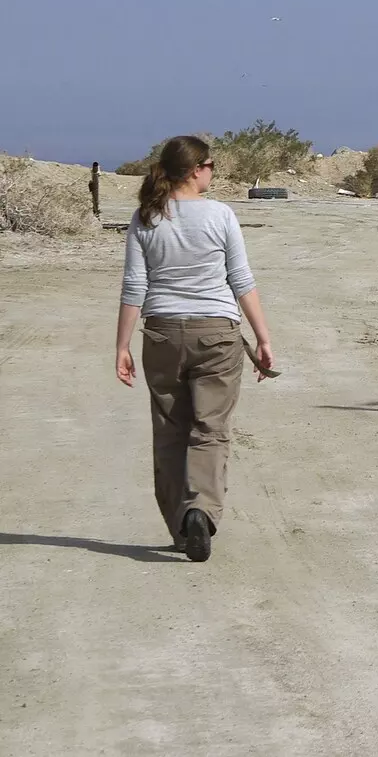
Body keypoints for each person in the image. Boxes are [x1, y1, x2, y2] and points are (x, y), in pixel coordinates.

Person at [114, 136, 274, 562]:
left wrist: (122, 346)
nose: (213, 172)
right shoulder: (221, 214)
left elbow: (135, 287)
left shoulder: (145, 217)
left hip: (162, 333)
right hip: (217, 333)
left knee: (170, 430)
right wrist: (263, 338)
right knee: (210, 429)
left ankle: (181, 529)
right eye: (212, 165)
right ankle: (200, 509)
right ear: (196, 169)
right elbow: (241, 279)